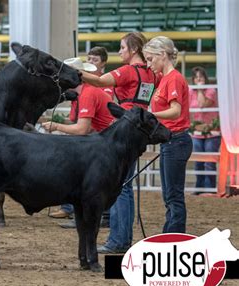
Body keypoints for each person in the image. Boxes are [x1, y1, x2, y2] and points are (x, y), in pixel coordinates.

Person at [79, 32, 160, 253]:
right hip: (138, 130)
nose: (120, 51)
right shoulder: (150, 74)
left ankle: (118, 240)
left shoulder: (127, 71)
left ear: (133, 50)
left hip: (124, 129)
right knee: (125, 186)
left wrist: (76, 72)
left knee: (119, 187)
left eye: (123, 47)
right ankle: (123, 238)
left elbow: (97, 80)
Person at [41, 61, 114, 228]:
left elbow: (82, 129)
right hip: (105, 140)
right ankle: (98, 215)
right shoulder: (87, 93)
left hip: (105, 142)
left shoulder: (87, 95)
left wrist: (57, 126)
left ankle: (92, 215)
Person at [144, 36, 192, 233]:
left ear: (162, 55)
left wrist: (151, 115)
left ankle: (174, 236)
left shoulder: (172, 79)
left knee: (173, 195)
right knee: (170, 195)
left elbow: (175, 110)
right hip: (171, 141)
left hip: (175, 140)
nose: (149, 64)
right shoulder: (166, 79)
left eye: (150, 59)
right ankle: (170, 234)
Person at [188, 66, 220, 194]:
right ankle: (199, 187)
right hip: (196, 131)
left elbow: (202, 104)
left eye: (200, 77)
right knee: (198, 162)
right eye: (196, 78)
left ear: (205, 78)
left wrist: (200, 90)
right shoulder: (190, 91)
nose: (198, 79)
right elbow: (189, 111)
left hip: (212, 131)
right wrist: (192, 125)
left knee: (209, 162)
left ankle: (209, 189)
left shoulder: (211, 90)